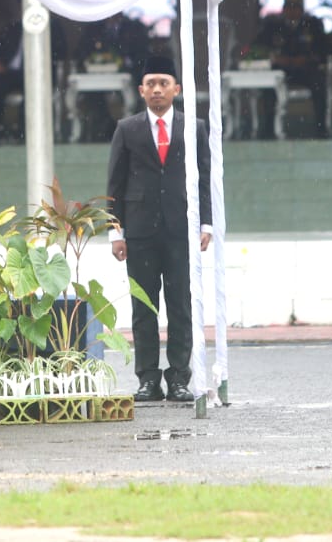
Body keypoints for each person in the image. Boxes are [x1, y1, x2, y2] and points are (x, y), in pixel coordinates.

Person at [107, 55, 212, 403]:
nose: (157, 89)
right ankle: (148, 380)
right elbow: (115, 183)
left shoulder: (193, 127)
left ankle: (180, 378)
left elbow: (205, 177)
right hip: (139, 232)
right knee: (144, 308)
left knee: (180, 305)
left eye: (163, 83)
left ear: (176, 89)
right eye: (150, 84)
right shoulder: (127, 129)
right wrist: (116, 232)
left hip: (182, 230)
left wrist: (206, 223)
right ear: (141, 90)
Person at [253, 0, 332, 138]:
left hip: (305, 70)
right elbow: (258, 48)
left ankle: (321, 128)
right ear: (283, 8)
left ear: (302, 9)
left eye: (296, 7)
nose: (292, 11)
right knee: (269, 87)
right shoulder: (272, 25)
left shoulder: (313, 25)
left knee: (319, 82)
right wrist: (274, 57)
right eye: (289, 7)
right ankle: (269, 129)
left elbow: (325, 49)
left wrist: (307, 58)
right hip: (281, 70)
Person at [0, 15, 66, 143]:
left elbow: (61, 52)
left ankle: (24, 134)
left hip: (39, 73)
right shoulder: (14, 27)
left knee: (31, 94)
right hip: (11, 72)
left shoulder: (52, 27)